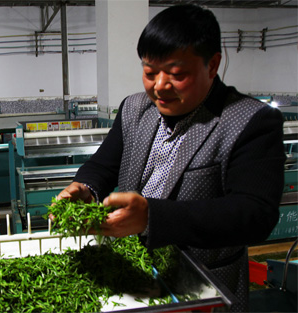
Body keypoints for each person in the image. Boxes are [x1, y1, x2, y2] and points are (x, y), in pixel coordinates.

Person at [56, 4, 285, 312]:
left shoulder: (249, 121)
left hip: (202, 286)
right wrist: (85, 188)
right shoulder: (134, 109)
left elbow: (254, 214)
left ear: (212, 65)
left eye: (177, 74)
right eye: (150, 72)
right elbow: (103, 165)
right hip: (131, 274)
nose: (159, 86)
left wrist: (152, 217)